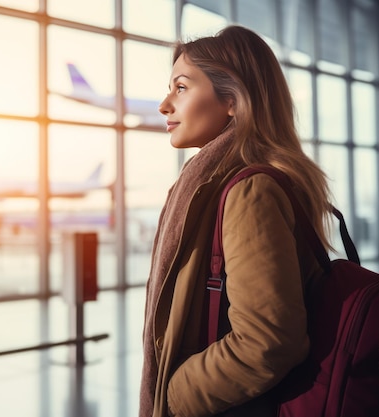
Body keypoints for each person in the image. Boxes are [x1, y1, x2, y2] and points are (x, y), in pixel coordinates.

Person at [139, 25, 333, 417]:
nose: (164, 105)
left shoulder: (250, 190)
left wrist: (174, 395)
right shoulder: (231, 182)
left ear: (232, 99)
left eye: (180, 87)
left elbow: (269, 341)